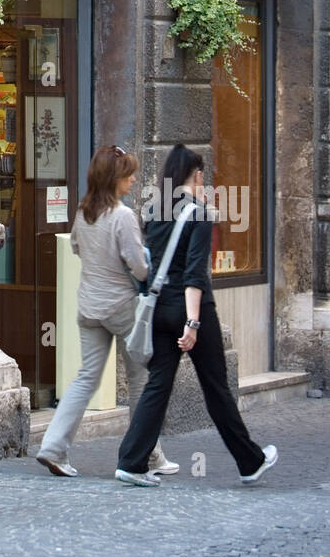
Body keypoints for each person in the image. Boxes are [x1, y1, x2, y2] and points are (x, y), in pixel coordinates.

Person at [115, 144, 277, 487]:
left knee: (157, 386)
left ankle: (131, 462)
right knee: (216, 387)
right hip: (191, 310)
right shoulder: (201, 213)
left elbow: (148, 265)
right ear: (198, 175)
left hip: (157, 308)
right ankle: (250, 461)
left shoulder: (154, 210)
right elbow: (194, 274)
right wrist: (192, 323)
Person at [36, 145, 177, 479]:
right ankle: (148, 456)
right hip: (123, 308)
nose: (132, 180)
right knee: (142, 379)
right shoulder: (123, 216)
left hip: (89, 306)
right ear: (115, 179)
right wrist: (145, 258)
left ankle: (53, 448)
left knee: (86, 378)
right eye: (128, 174)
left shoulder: (84, 213)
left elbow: (74, 246)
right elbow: (140, 270)